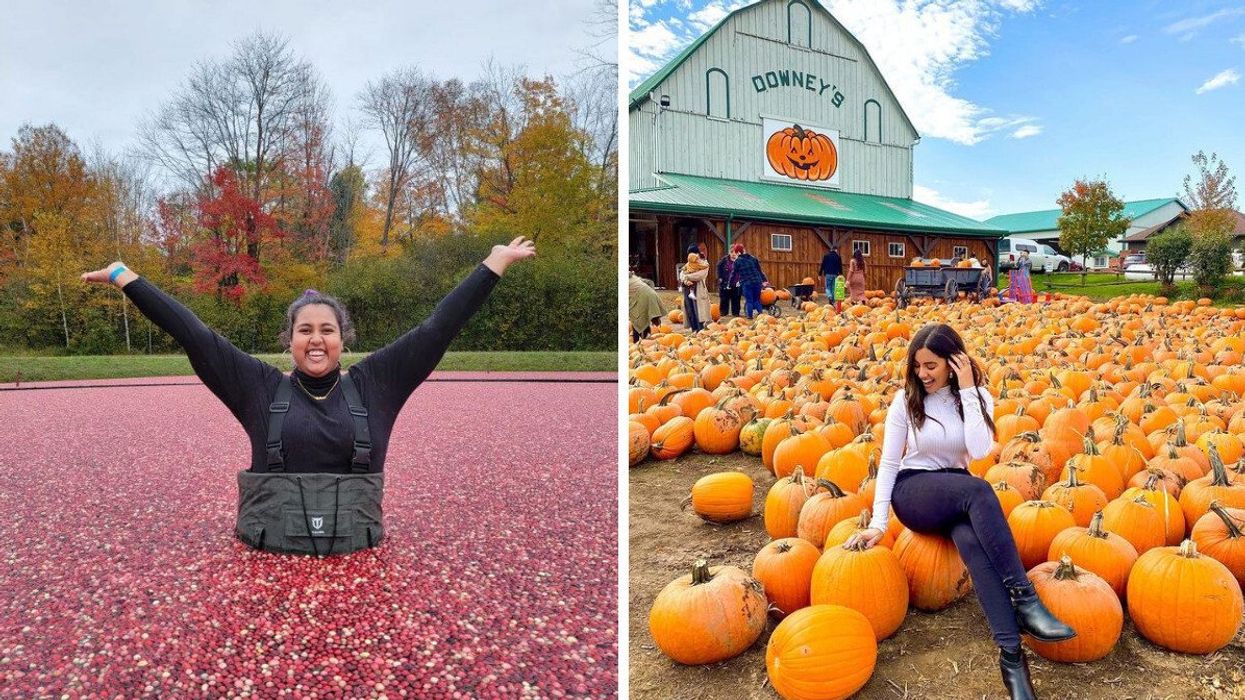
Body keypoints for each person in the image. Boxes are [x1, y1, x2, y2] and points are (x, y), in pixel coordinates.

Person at [80, 237, 536, 556]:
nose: (316, 341)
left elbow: (437, 328)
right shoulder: (256, 387)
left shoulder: (378, 383)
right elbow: (194, 334)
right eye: (305, 330)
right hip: (263, 574)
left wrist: (492, 264)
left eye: (327, 330)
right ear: (289, 339)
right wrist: (125, 277)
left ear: (343, 339)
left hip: (363, 578)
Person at [844, 324, 1075, 700]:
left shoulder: (977, 395)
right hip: (915, 490)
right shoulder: (906, 401)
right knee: (981, 490)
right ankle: (1026, 600)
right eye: (918, 366)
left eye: (931, 365)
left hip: (957, 491)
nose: (923, 374)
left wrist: (968, 389)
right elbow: (888, 464)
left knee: (974, 543)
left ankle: (1013, 660)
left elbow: (980, 450)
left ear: (955, 362)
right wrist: (879, 523)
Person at [629, 270, 667, 342]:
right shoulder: (634, 278)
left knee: (638, 320)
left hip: (642, 296)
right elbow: (650, 282)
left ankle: (639, 342)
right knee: (643, 317)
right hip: (651, 295)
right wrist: (651, 292)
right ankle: (644, 339)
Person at [679, 246, 710, 332]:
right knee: (689, 309)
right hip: (687, 289)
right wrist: (685, 280)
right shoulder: (688, 263)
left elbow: (700, 275)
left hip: (698, 289)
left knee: (698, 310)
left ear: (697, 253)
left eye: (693, 253)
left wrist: (687, 276)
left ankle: (700, 329)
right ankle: (694, 329)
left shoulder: (704, 263)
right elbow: (681, 273)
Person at [733, 243, 767, 319]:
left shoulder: (737, 261)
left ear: (737, 252)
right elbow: (760, 271)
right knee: (756, 299)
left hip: (746, 283)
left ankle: (750, 316)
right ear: (744, 250)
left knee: (749, 300)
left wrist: (729, 283)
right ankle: (762, 315)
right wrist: (764, 280)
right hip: (757, 282)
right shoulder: (753, 258)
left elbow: (733, 273)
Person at [716, 247, 742, 318]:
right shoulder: (724, 260)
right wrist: (720, 277)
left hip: (736, 283)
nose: (733, 254)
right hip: (726, 282)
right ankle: (723, 313)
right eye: (731, 252)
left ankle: (736, 313)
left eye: (735, 253)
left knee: (736, 299)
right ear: (729, 253)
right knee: (724, 298)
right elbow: (718, 267)